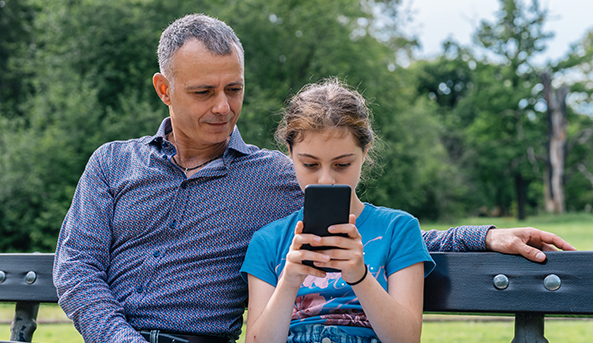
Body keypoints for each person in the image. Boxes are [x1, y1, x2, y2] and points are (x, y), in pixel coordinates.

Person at [52, 13, 575, 343]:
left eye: (233, 89)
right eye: (202, 91)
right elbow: (76, 266)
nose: (222, 107)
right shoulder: (112, 162)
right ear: (164, 89)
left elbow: (367, 225)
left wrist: (483, 235)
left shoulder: (278, 177)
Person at [241, 78, 435, 343]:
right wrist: (288, 281)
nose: (325, 180)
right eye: (310, 164)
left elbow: (406, 339)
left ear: (364, 153)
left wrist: (360, 276)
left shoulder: (398, 229)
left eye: (342, 164)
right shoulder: (268, 241)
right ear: (289, 153)